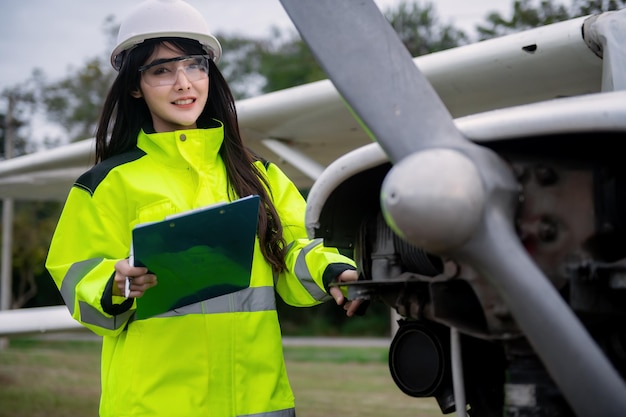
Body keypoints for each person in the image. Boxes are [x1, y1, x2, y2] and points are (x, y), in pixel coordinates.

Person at [45, 0, 362, 416]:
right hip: (154, 404)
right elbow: (78, 279)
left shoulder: (258, 175)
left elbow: (293, 250)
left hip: (258, 402)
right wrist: (117, 284)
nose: (184, 83)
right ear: (135, 86)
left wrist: (333, 270)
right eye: (162, 70)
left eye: (195, 66)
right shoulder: (104, 186)